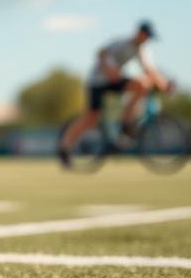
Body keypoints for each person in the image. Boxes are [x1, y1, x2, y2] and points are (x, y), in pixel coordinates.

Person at [58, 21, 171, 168]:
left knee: (143, 85)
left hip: (115, 79)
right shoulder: (121, 42)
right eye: (146, 36)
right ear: (139, 33)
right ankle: (64, 148)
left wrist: (164, 84)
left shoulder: (142, 50)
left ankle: (126, 122)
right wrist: (108, 68)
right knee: (91, 118)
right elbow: (101, 52)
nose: (147, 39)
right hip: (98, 81)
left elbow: (149, 69)